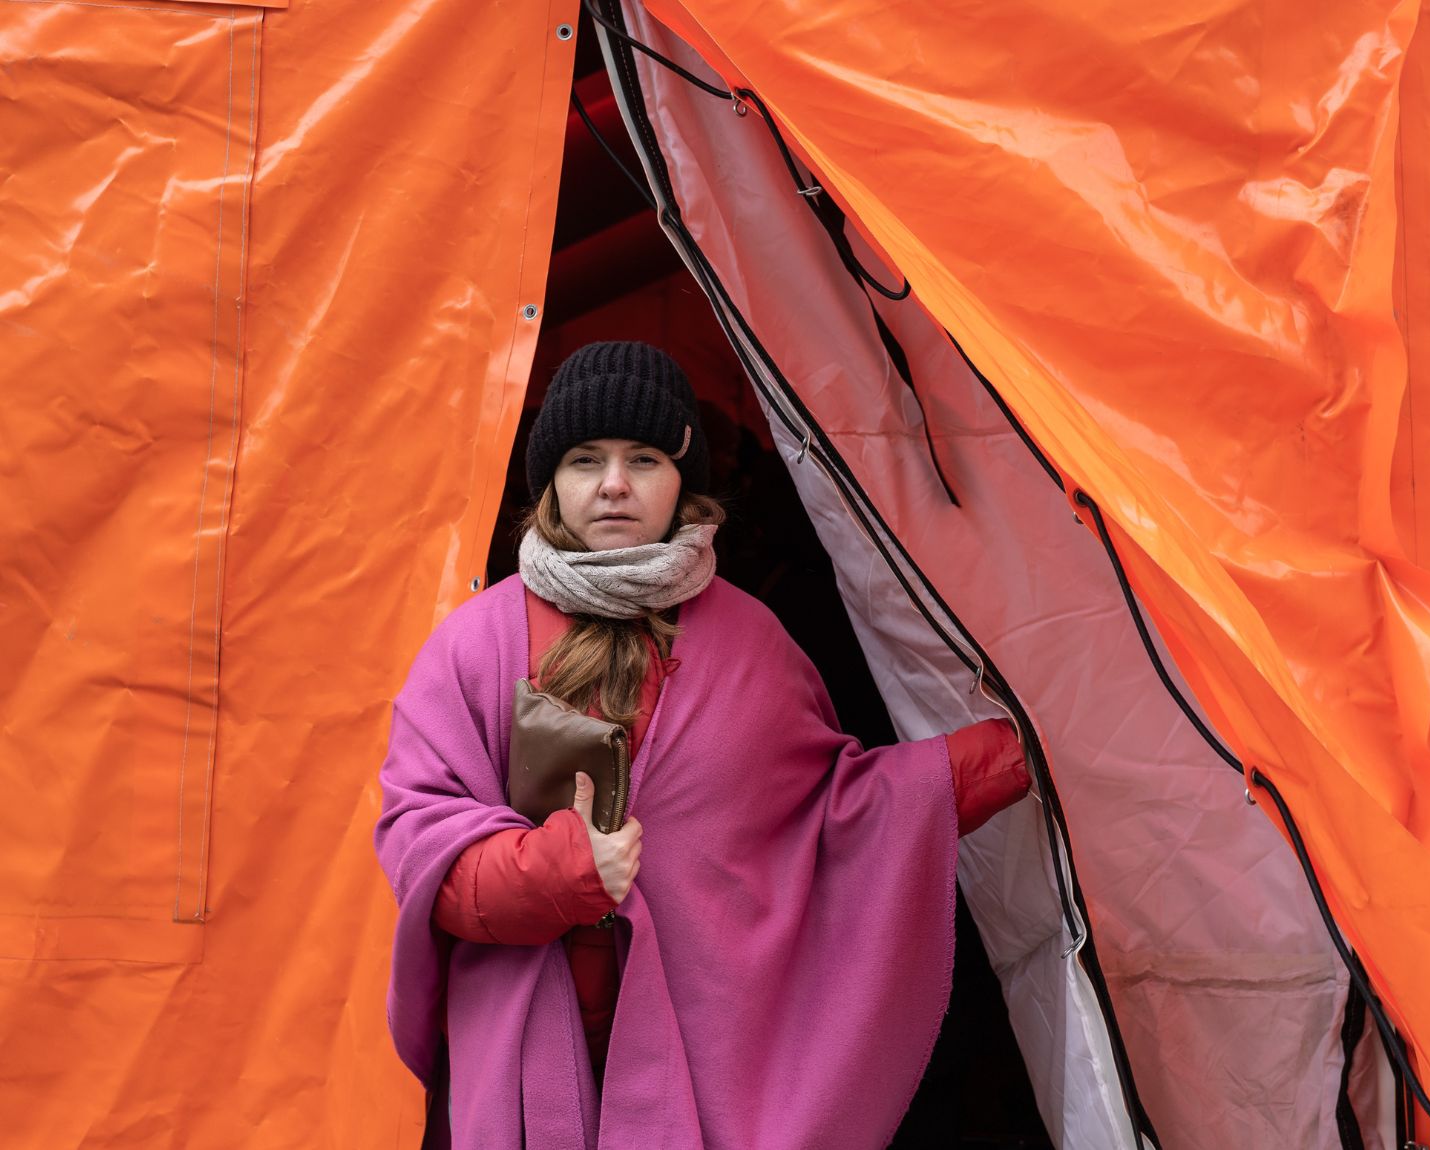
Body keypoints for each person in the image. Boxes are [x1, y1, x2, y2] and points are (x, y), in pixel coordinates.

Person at [375, 341, 1029, 1149]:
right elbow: (424, 853)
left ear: (683, 479)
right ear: (551, 482)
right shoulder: (472, 645)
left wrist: (1022, 751)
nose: (614, 484)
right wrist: (568, 871)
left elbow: (838, 815)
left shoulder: (753, 641)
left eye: (643, 458)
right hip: (527, 1071)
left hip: (704, 1051)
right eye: (586, 460)